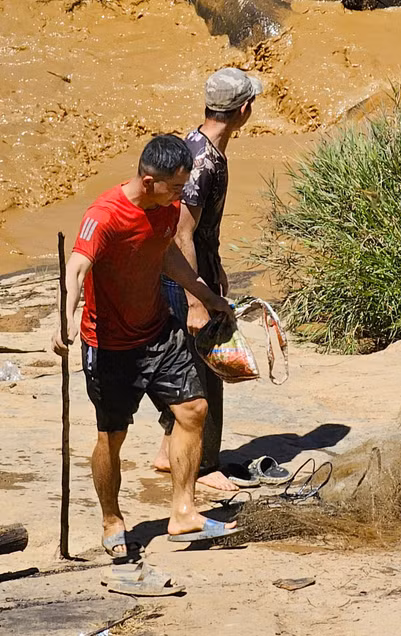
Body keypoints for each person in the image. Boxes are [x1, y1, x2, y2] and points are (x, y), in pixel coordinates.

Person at [51, 135, 241, 556]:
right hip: (111, 344)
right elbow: (78, 266)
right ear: (148, 180)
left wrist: (206, 296)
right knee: (111, 436)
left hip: (158, 331)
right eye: (175, 187)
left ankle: (184, 512)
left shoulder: (167, 207)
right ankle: (111, 519)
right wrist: (65, 317)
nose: (181, 195)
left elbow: (166, 255)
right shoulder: (105, 216)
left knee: (193, 410)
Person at [153, 68, 263, 492]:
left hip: (190, 272)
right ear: (244, 109)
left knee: (181, 361)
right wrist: (198, 297)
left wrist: (215, 270)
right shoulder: (203, 162)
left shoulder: (196, 143)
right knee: (203, 370)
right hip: (184, 278)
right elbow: (181, 230)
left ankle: (168, 450)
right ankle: (204, 465)